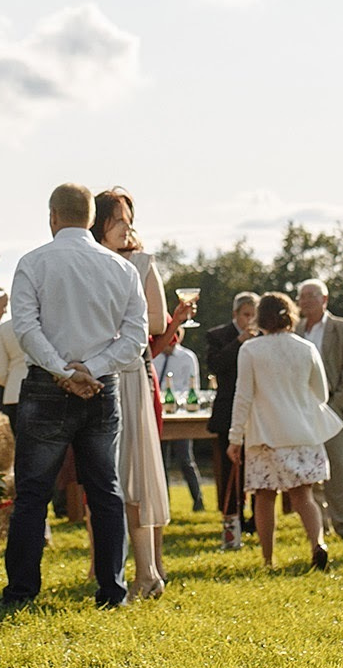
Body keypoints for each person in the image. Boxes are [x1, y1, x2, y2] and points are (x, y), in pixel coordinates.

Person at [2, 183, 147, 610]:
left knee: (33, 493)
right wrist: (93, 368)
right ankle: (112, 590)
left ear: (52, 216)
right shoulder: (121, 269)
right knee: (105, 491)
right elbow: (135, 337)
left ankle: (22, 591)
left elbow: (26, 328)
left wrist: (63, 371)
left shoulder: (33, 262)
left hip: (47, 387)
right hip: (101, 388)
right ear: (91, 219)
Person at [91, 188, 193, 599]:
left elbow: (155, 323)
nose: (125, 227)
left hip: (130, 374)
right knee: (102, 475)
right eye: (117, 219)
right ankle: (111, 568)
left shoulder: (143, 264)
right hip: (93, 374)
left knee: (133, 473)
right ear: (98, 222)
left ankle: (148, 571)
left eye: (128, 220)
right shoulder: (87, 261)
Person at [227, 292, 339, 571]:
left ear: (260, 317)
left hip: (265, 434)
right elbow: (322, 393)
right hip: (302, 432)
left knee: (265, 497)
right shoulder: (306, 348)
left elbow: (243, 396)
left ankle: (268, 560)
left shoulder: (250, 350)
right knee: (304, 496)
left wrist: (235, 437)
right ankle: (317, 543)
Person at [296, 279, 343, 542]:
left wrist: (334, 408)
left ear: (325, 299)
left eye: (311, 295)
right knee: (307, 470)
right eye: (302, 296)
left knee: (338, 468)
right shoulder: (294, 330)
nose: (305, 301)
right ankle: (319, 526)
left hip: (333, 410)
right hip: (301, 411)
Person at [204, 292, 259, 550]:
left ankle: (257, 520)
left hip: (257, 411)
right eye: (246, 315)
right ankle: (232, 520)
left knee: (257, 464)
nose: (250, 320)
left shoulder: (264, 336)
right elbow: (215, 365)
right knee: (229, 468)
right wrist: (239, 342)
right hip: (228, 409)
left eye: (254, 315)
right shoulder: (218, 335)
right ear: (236, 314)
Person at [155, 339, 204, 513]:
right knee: (161, 461)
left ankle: (198, 500)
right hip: (160, 414)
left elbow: (192, 386)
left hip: (181, 415)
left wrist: (175, 400)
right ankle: (164, 503)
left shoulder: (187, 357)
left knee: (185, 459)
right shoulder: (154, 356)